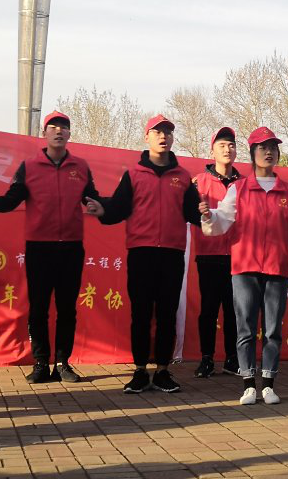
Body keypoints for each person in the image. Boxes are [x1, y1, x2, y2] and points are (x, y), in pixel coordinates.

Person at [0, 110, 98, 384]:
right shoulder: (29, 167)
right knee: (39, 308)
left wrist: (101, 205)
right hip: (39, 248)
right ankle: (41, 363)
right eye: (53, 127)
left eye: (64, 127)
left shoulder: (80, 167)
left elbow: (92, 198)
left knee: (67, 309)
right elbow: (9, 201)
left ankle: (63, 364)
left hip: (71, 248)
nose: (59, 131)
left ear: (69, 134)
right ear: (44, 134)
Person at [199, 126, 288, 406]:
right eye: (262, 147)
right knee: (245, 328)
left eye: (273, 147)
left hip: (277, 270)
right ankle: (248, 384)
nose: (268, 152)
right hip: (245, 269)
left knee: (273, 330)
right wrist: (209, 216)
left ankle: (269, 384)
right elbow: (222, 220)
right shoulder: (238, 189)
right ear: (252, 153)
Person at [84, 114, 202, 394]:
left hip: (172, 254)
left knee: (167, 314)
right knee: (140, 313)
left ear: (172, 139)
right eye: (157, 132)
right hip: (141, 253)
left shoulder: (183, 177)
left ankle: (162, 371)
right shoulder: (134, 174)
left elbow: (194, 213)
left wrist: (210, 216)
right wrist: (103, 211)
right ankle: (139, 371)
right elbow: (119, 208)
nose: (163, 137)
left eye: (168, 133)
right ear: (147, 137)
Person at [191, 126, 242, 378]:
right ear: (212, 150)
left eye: (231, 145)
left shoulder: (244, 184)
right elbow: (187, 214)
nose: (227, 149)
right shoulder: (198, 182)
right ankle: (207, 358)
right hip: (209, 254)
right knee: (209, 309)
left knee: (234, 310)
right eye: (221, 145)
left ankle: (232, 358)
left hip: (238, 255)